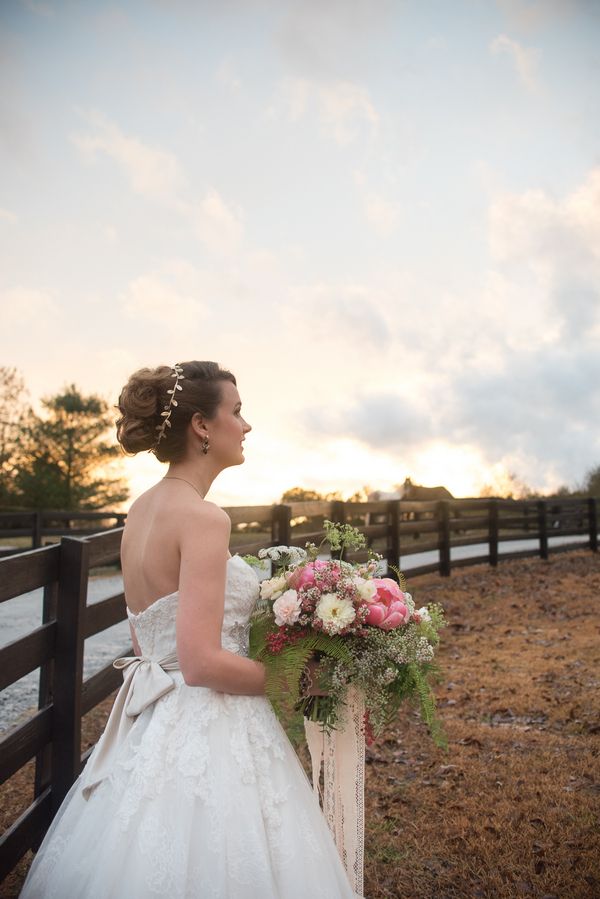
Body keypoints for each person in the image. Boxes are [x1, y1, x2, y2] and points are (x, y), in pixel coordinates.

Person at [20, 360, 359, 899]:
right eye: (238, 411)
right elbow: (199, 663)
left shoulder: (141, 511)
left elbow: (146, 641)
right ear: (202, 425)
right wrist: (299, 682)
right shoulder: (204, 518)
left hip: (153, 717)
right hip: (210, 720)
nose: (246, 426)